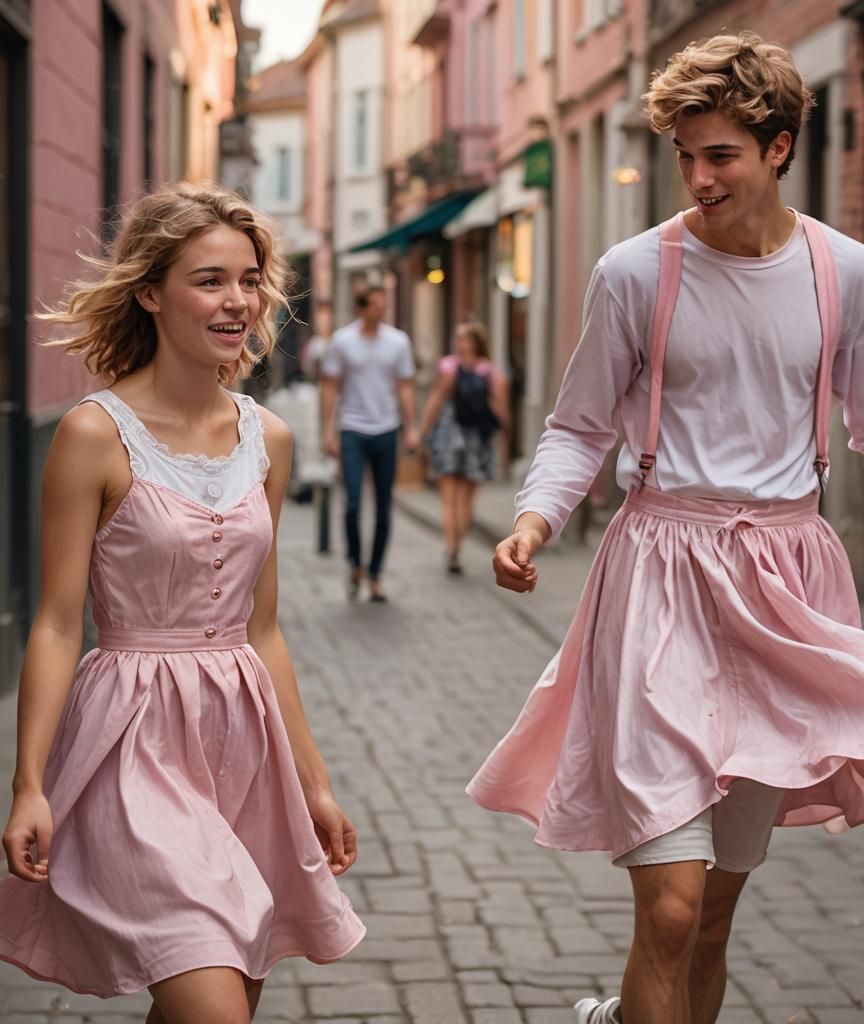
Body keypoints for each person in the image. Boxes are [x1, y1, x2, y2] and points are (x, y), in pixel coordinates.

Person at [467, 32, 864, 1024]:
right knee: (668, 907)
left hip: (783, 587)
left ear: (779, 147)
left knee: (709, 917)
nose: (699, 178)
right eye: (686, 156)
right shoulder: (634, 273)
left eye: (721, 155)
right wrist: (533, 522)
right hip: (661, 578)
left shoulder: (847, 273)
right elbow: (579, 426)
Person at [0, 183, 365, 1023]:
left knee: (228, 988)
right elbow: (56, 624)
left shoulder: (270, 440)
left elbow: (262, 629)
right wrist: (29, 784)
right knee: (214, 1001)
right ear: (150, 293)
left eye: (249, 280)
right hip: (133, 738)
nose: (237, 300)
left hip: (244, 739)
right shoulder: (93, 434)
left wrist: (313, 783)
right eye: (209, 280)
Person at [319, 287, 419, 603]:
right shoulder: (343, 341)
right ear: (361, 308)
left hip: (386, 429)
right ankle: (355, 565)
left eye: (382, 304)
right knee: (352, 502)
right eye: (374, 304)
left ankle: (375, 574)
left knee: (383, 507)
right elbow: (330, 386)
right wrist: (327, 431)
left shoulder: (398, 342)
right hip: (352, 428)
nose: (380, 309)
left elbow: (405, 386)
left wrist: (411, 427)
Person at [418, 322, 510, 574]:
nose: (458, 343)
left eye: (462, 338)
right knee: (466, 500)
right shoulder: (490, 372)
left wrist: (422, 433)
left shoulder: (448, 368)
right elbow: (501, 411)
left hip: (449, 435)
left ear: (472, 342)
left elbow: (435, 400)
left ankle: (452, 549)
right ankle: (456, 545)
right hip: (477, 439)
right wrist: (504, 440)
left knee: (449, 500)